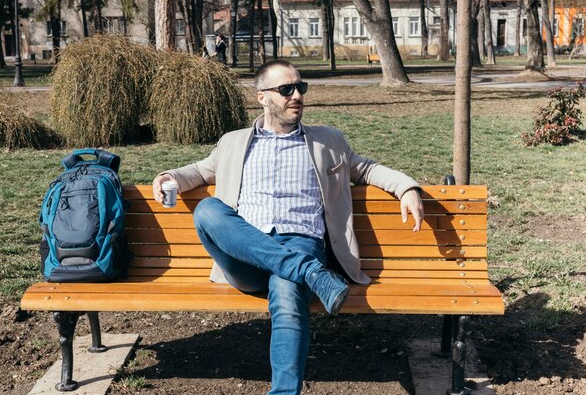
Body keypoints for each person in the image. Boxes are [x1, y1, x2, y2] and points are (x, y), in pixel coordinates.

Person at [152, 59, 424, 395]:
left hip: (301, 243)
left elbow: (366, 169)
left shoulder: (328, 141)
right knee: (208, 209)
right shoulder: (234, 142)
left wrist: (407, 187)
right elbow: (198, 170)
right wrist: (169, 177)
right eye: (286, 89)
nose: (296, 95)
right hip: (246, 255)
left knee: (286, 288)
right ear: (262, 97)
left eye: (300, 88)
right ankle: (311, 274)